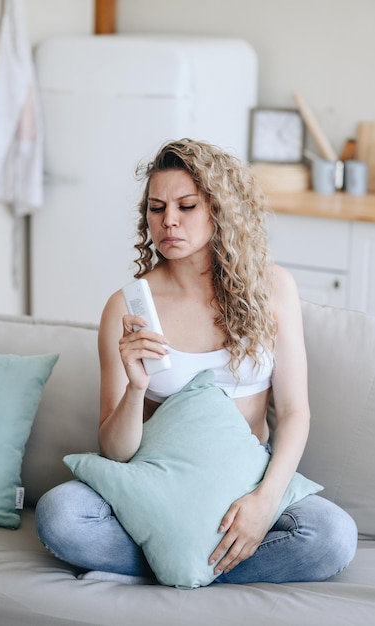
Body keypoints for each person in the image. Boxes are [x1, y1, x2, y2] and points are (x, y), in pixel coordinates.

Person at [36, 138, 357, 584]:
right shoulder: (126, 307)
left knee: (333, 536)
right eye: (156, 207)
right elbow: (115, 450)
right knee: (60, 515)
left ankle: (170, 561)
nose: (168, 221)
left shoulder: (272, 289)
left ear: (219, 209)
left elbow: (294, 412)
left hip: (245, 479)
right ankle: (190, 560)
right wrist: (136, 388)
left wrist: (265, 502)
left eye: (186, 206)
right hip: (157, 479)